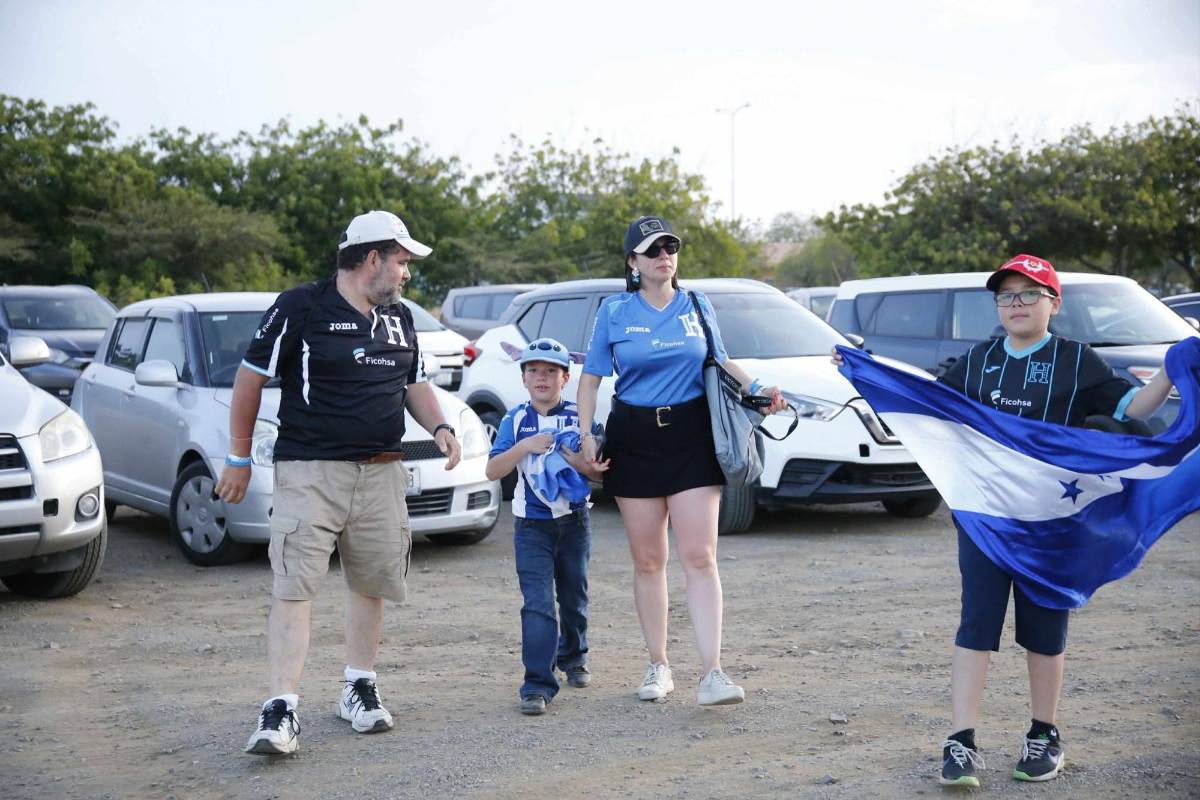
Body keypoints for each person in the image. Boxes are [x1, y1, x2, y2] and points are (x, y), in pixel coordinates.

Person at [833, 254, 1177, 787]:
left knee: (1044, 627)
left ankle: (1044, 733)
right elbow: (927, 400)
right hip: (985, 519)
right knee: (977, 622)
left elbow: (1133, 409)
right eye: (1006, 296)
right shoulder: (980, 359)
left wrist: (1175, 368)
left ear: (1053, 303)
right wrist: (866, 372)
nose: (1016, 304)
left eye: (1029, 294)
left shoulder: (1076, 360)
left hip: (1049, 524)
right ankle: (962, 740)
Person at [215, 210, 462, 756]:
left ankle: (359, 687)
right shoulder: (299, 307)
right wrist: (236, 456)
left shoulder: (399, 319)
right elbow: (250, 379)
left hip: (381, 473)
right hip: (310, 472)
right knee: (294, 584)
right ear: (371, 258)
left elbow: (413, 383)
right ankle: (280, 709)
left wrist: (441, 426)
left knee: (371, 581)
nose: (406, 274)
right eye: (401, 262)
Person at [576, 215, 785, 707]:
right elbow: (590, 380)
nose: (663, 256)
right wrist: (586, 435)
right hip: (634, 439)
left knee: (700, 556)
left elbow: (721, 360)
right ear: (633, 263)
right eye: (651, 250)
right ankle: (658, 665)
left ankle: (712, 672)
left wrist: (759, 389)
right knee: (649, 560)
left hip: (692, 436)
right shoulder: (614, 311)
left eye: (670, 247)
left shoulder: (696, 304)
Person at [485, 337, 608, 716]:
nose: (542, 378)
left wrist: (581, 462)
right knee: (537, 604)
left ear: (566, 378)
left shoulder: (579, 417)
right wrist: (524, 447)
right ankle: (537, 684)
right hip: (531, 526)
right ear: (523, 379)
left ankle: (574, 656)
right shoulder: (515, 419)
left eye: (551, 371)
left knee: (574, 595)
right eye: (534, 371)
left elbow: (602, 475)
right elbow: (492, 470)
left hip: (574, 521)